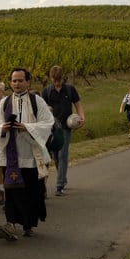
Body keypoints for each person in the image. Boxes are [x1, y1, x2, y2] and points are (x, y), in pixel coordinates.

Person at [0, 68, 54, 240]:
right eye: (14, 81)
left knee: (31, 192)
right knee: (12, 192)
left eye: (20, 80)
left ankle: (28, 225)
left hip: (31, 155)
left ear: (27, 82)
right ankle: (10, 224)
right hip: (12, 156)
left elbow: (47, 123)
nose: (17, 84)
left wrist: (26, 127)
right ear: (10, 83)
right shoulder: (5, 103)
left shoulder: (37, 101)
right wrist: (3, 128)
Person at [41, 65, 84, 195]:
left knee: (62, 154)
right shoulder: (46, 91)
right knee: (55, 156)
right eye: (55, 80)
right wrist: (47, 108)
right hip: (51, 128)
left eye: (59, 80)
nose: (57, 83)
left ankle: (59, 186)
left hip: (65, 127)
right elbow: (42, 108)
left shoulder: (70, 89)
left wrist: (82, 118)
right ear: (51, 78)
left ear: (62, 78)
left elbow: (78, 105)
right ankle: (63, 178)